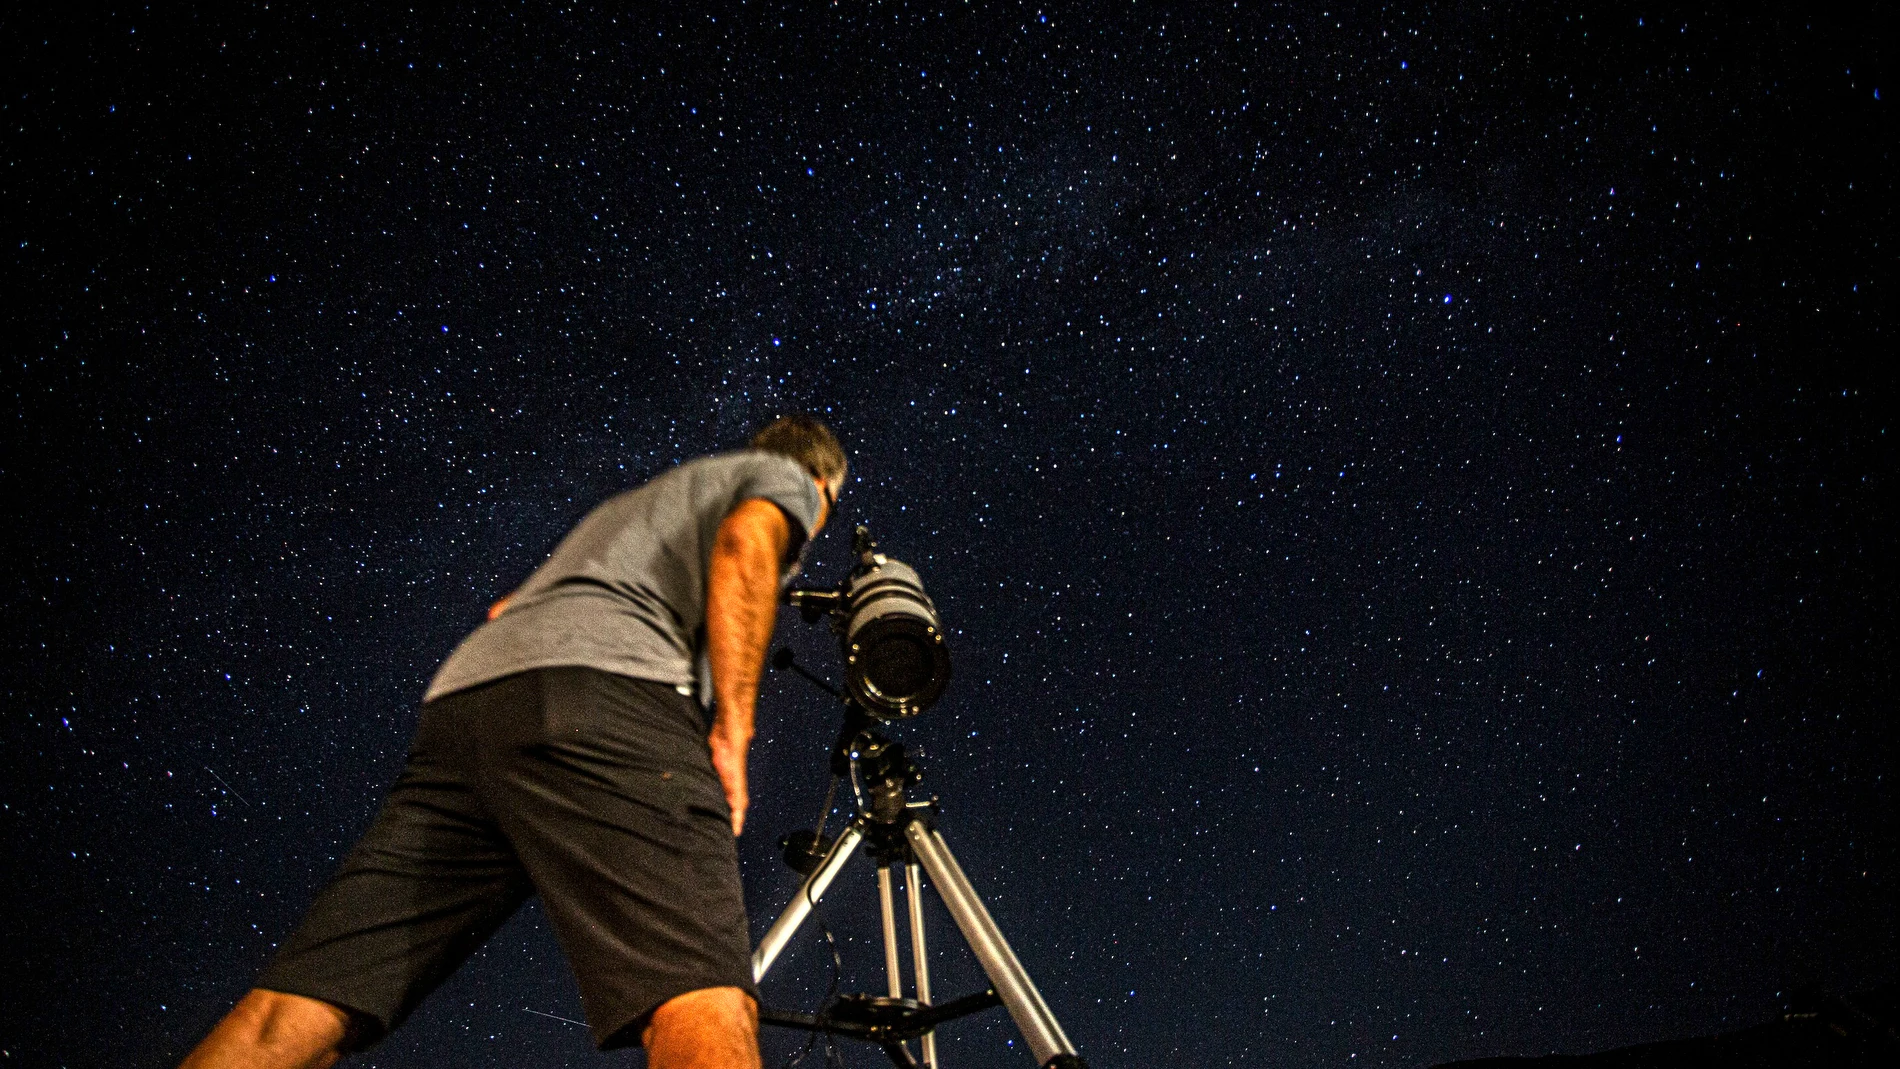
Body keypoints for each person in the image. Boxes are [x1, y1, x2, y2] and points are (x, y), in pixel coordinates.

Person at [179, 416, 849, 1069]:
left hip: (469, 699)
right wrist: (734, 728)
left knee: (299, 1006)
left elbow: (506, 608)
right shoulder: (784, 477)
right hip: (611, 693)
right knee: (701, 995)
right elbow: (745, 545)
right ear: (821, 485)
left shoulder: (636, 505)